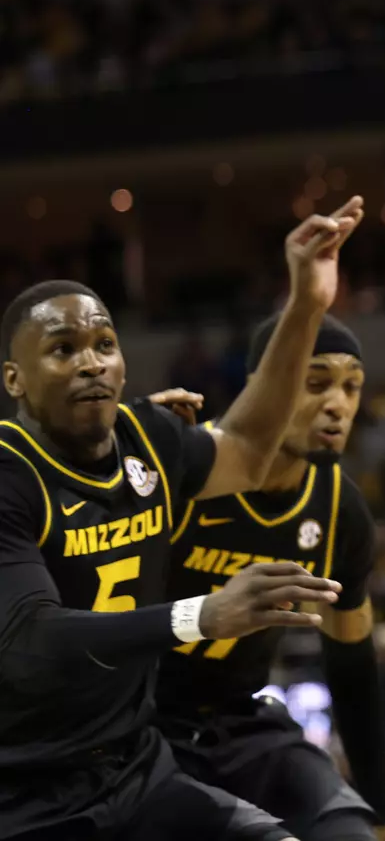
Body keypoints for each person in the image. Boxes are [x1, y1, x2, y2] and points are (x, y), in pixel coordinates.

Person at [0, 198, 363, 841]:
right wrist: (201, 613)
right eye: (63, 349)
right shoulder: (10, 474)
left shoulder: (148, 439)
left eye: (104, 344)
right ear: (15, 380)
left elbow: (249, 448)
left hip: (135, 775)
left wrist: (306, 301)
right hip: (25, 798)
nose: (90, 362)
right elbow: (32, 641)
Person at [148, 314, 385, 840]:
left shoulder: (338, 509)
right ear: (265, 388)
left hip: (243, 725)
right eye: (316, 382)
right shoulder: (184, 467)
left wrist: (383, 812)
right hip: (140, 729)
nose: (338, 404)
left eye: (351, 387)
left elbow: (353, 673)